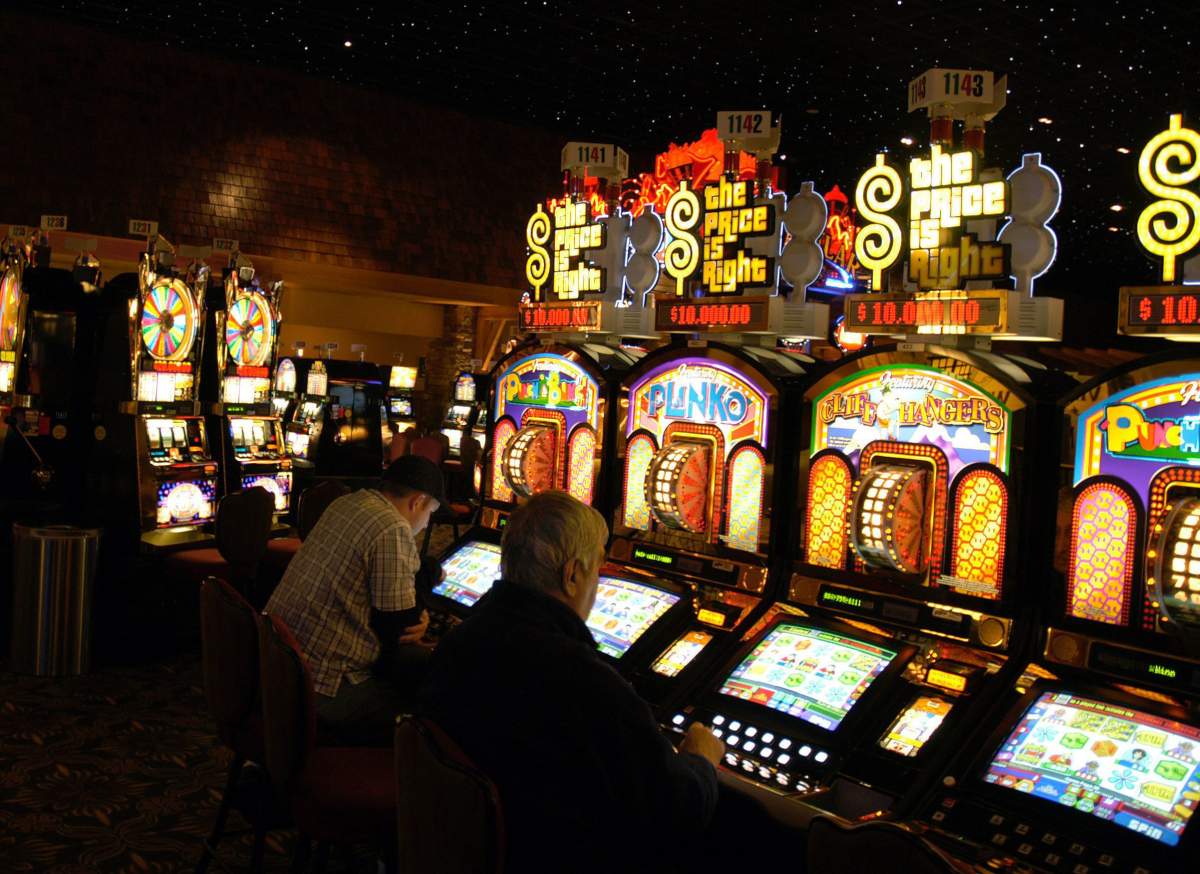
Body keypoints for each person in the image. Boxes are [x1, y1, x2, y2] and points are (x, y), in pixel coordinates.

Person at [419, 490, 732, 873]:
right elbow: (678, 808)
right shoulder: (583, 681)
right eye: (597, 571)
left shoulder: (462, 640)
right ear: (572, 575)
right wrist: (701, 757)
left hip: (464, 848)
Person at [265, 456, 445, 747]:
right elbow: (399, 629)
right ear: (418, 501)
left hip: (279, 668)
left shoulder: (348, 503)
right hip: (323, 689)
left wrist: (423, 582)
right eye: (431, 513)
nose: (426, 524)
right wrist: (420, 616)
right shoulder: (392, 528)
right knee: (434, 712)